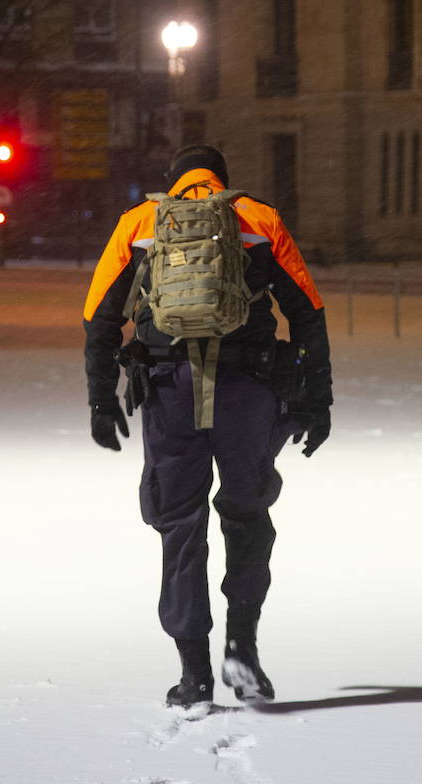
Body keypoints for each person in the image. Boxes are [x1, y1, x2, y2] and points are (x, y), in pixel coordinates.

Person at [82, 144, 332, 707]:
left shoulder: (140, 222)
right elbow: (308, 313)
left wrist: (101, 400)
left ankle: (193, 674)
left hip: (170, 392)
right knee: (247, 515)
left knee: (180, 525)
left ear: (172, 181)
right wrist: (320, 400)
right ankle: (242, 651)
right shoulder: (258, 219)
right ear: (222, 179)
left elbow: (99, 316)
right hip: (249, 392)